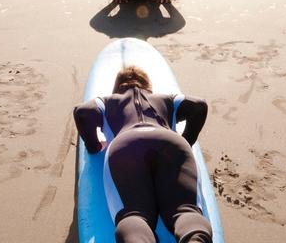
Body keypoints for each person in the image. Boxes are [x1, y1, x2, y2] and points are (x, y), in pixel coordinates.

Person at [73, 66, 212, 243]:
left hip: (127, 145)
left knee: (134, 214)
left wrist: (93, 146)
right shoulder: (166, 99)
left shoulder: (108, 100)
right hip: (170, 142)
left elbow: (82, 112)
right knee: (185, 210)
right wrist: (187, 140)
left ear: (117, 87)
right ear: (149, 86)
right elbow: (199, 105)